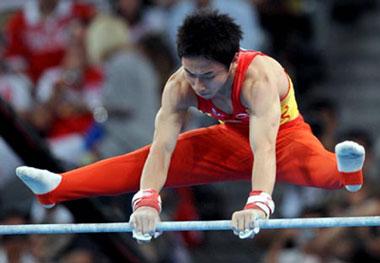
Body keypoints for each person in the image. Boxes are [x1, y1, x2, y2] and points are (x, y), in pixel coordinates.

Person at [15, 10, 365, 243]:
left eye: (208, 76)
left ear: (231, 62)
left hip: (281, 140)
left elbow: (263, 148)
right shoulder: (179, 84)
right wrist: (147, 202)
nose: (197, 85)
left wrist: (258, 203)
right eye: (191, 72)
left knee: (319, 170)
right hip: (227, 141)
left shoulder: (258, 80)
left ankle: (348, 172)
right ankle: (56, 188)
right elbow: (162, 148)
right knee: (144, 160)